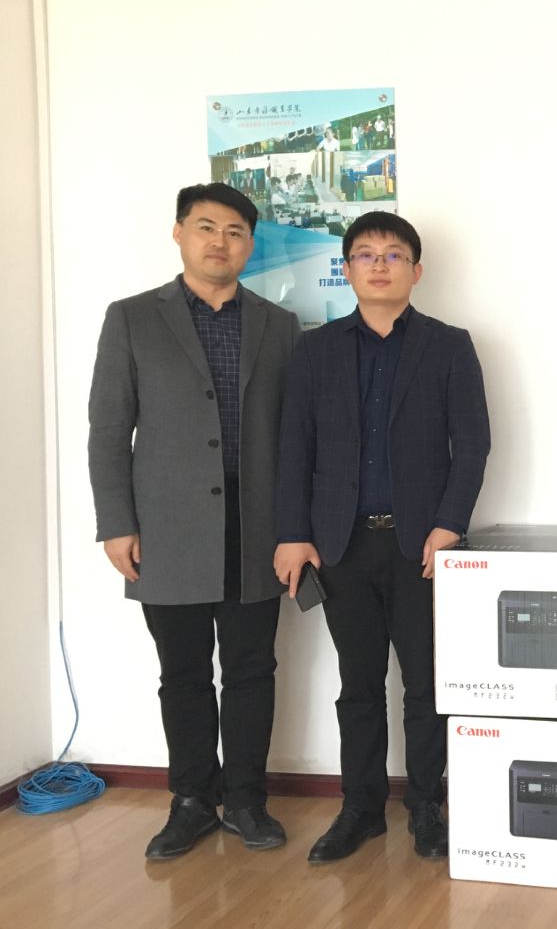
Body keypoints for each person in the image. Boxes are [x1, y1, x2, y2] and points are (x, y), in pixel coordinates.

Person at [88, 183, 302, 859]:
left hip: (256, 527)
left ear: (250, 244)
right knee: (181, 672)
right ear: (179, 232)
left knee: (251, 670)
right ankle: (190, 802)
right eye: (206, 227)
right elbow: (108, 428)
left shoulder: (278, 324)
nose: (220, 241)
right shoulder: (131, 318)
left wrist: (295, 527)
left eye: (235, 231)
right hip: (167, 528)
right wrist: (116, 522)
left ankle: (246, 801)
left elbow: (297, 436)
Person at [273, 210, 490, 864]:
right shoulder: (314, 351)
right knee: (359, 684)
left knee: (426, 683)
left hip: (422, 547)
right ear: (346, 270)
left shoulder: (449, 345)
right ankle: (361, 809)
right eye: (365, 254)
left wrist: (450, 525)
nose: (379, 264)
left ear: (415, 271)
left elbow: (472, 444)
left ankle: (426, 805)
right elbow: (294, 448)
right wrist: (293, 533)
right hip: (340, 547)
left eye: (393, 254)